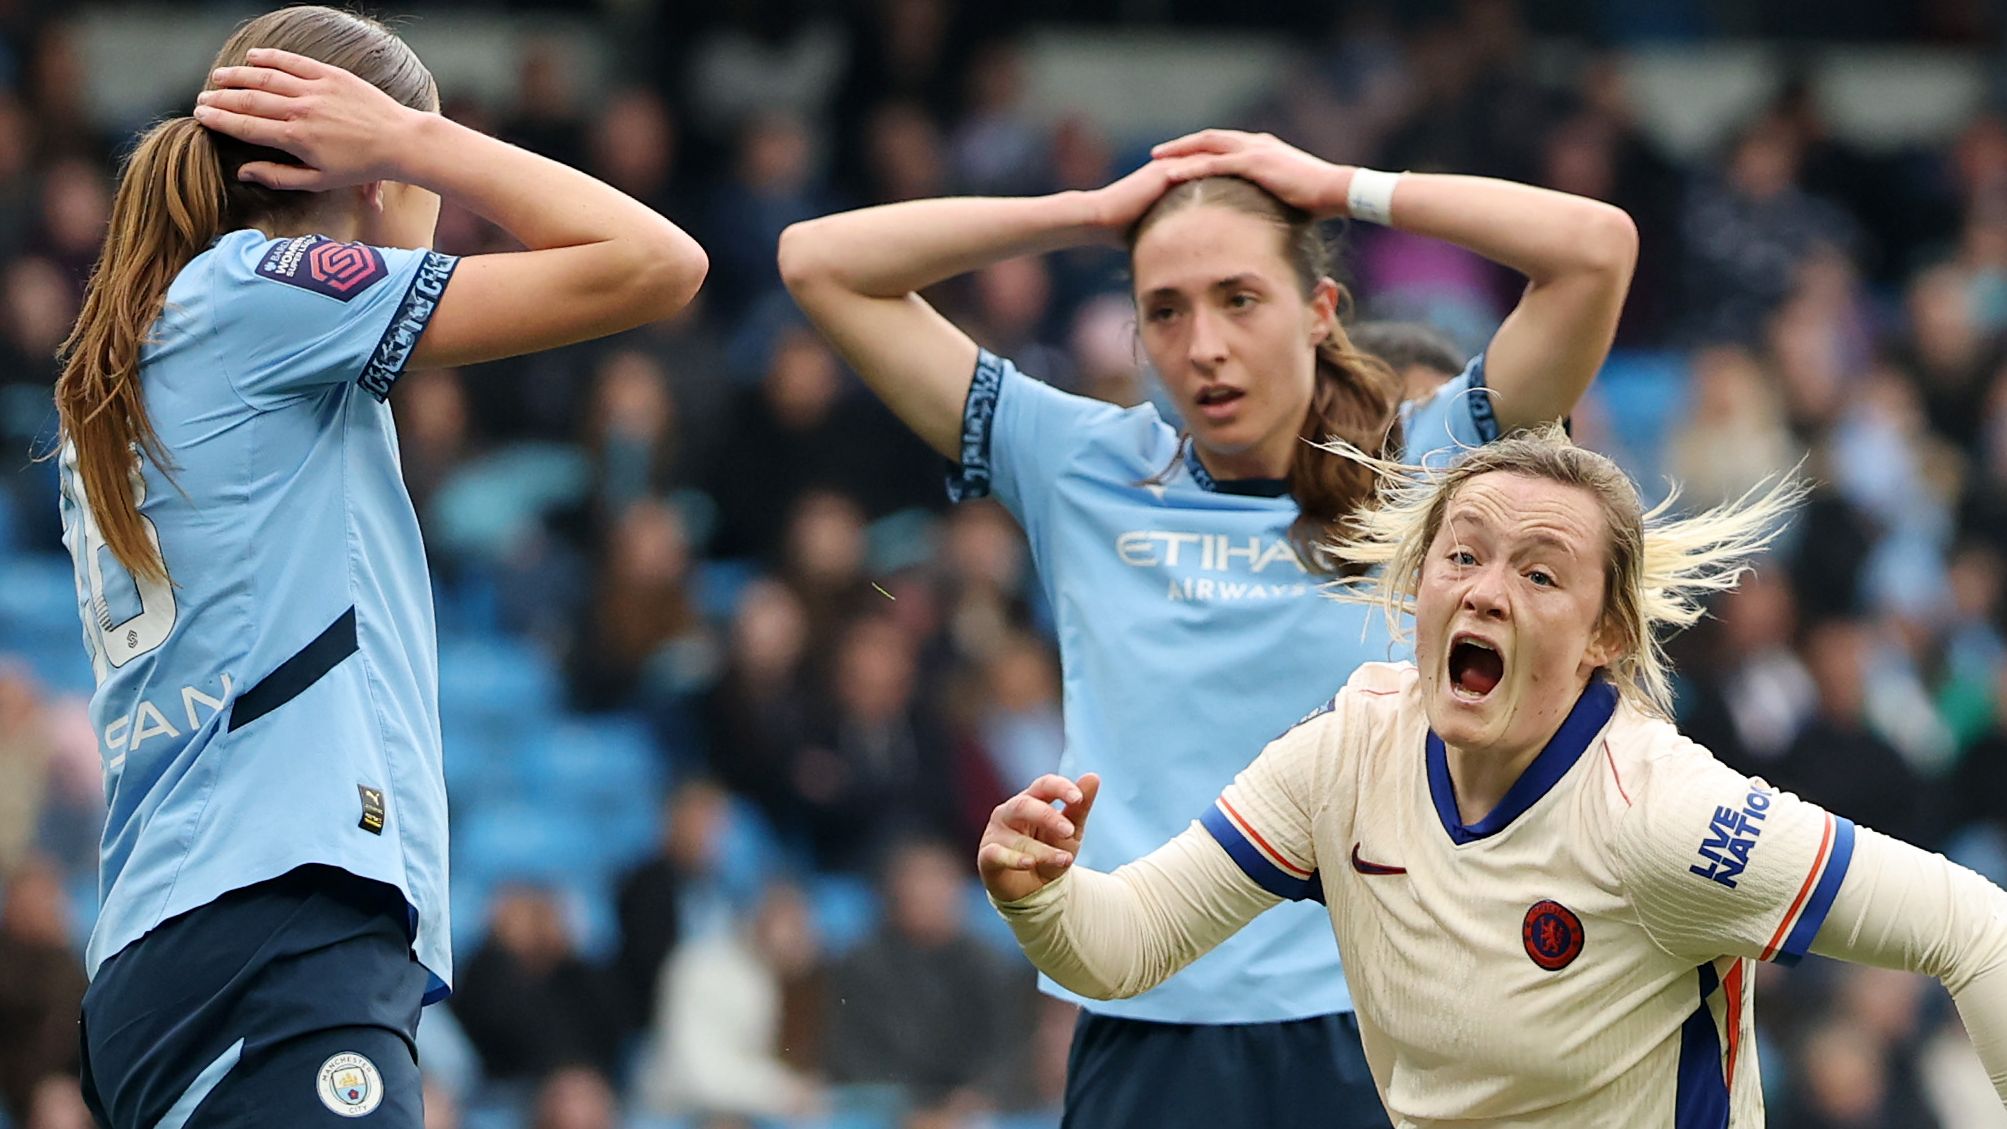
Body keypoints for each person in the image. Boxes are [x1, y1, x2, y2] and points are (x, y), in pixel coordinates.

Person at [780, 128, 1636, 1127]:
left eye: (1239, 298)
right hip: (1153, 1023)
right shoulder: (1077, 463)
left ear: (1320, 310)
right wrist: (1090, 213)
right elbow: (820, 263)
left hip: (1387, 1020)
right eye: (1166, 311)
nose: (1205, 344)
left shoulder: (1431, 463)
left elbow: (1596, 249)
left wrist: (1337, 189)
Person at [50, 9, 707, 1129]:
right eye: (410, 161)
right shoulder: (262, 294)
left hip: (184, 937)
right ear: (358, 166)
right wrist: (418, 138)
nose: (436, 202)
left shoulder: (167, 330)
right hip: (278, 918)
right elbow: (658, 265)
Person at [978, 425, 2007, 1126]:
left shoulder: (1664, 813)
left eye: (1541, 572)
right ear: (1418, 582)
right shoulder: (1345, 755)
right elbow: (1121, 948)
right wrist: (1040, 894)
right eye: (1462, 556)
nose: (1486, 591)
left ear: (1606, 631)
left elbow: (1976, 929)